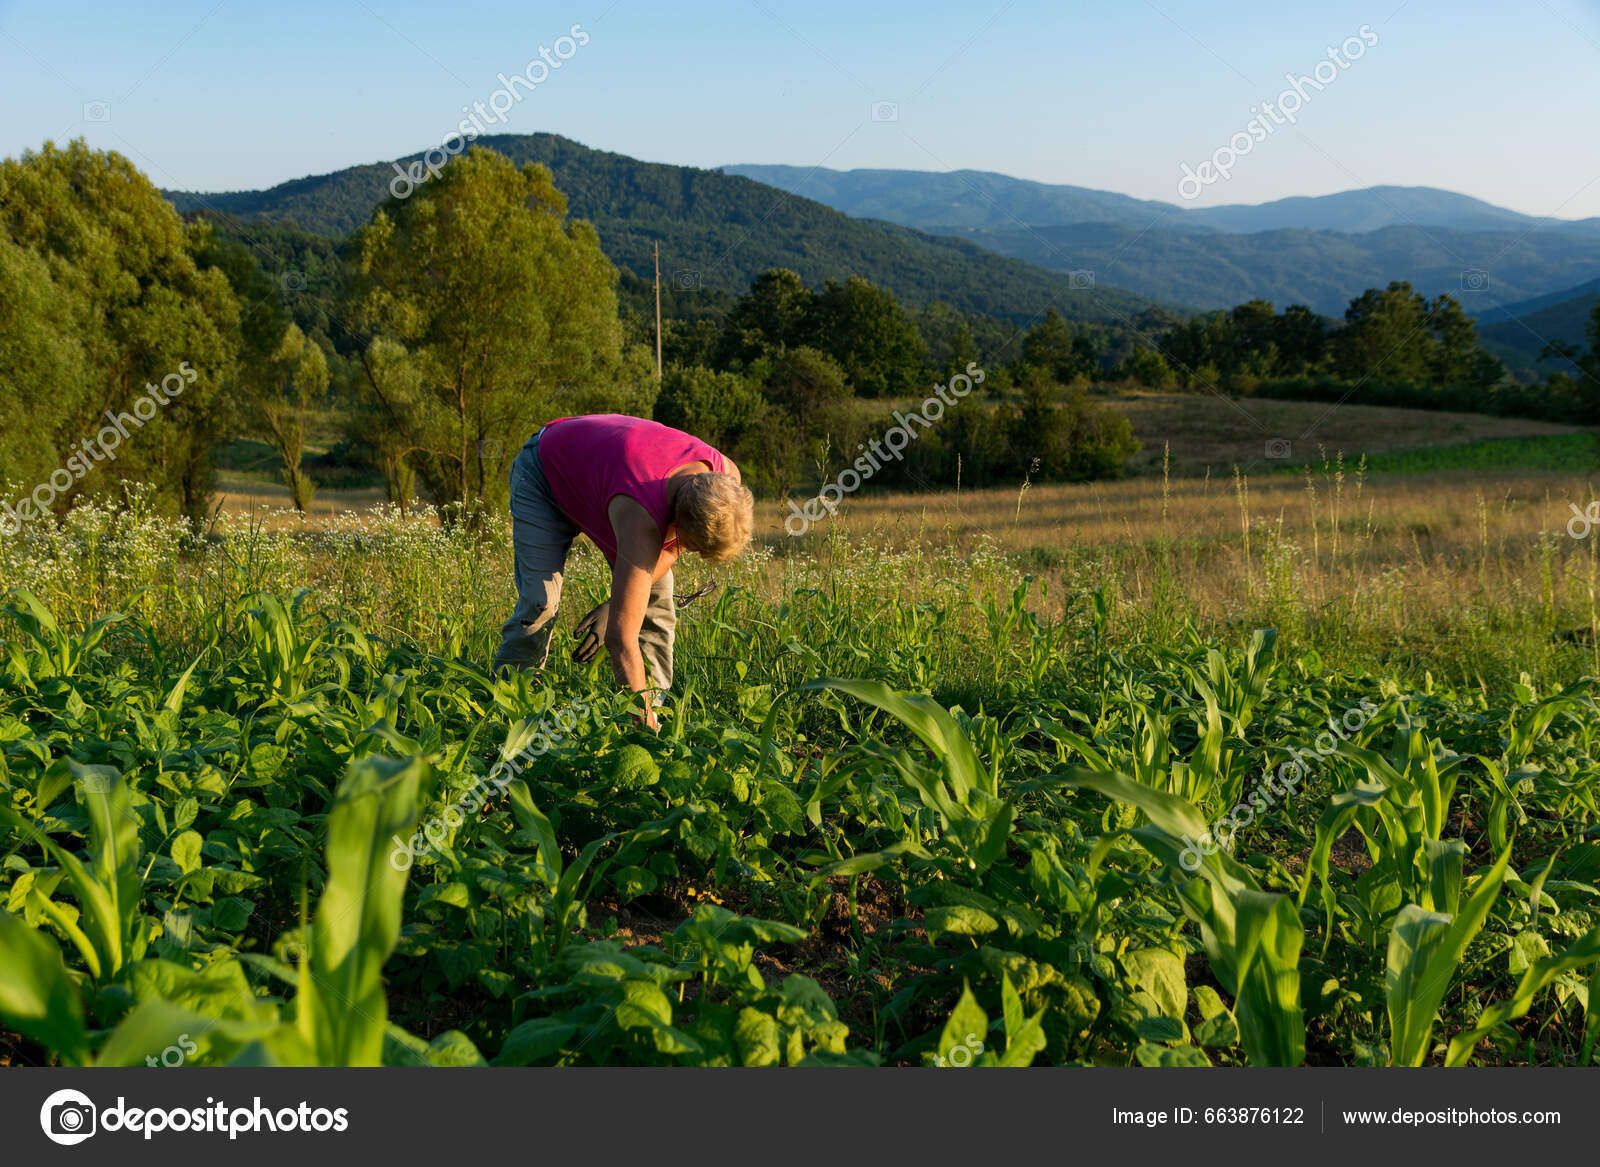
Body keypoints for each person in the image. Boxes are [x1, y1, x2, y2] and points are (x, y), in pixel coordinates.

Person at [492, 413, 754, 728]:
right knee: (540, 602)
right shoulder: (641, 517)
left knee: (655, 602)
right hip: (544, 474)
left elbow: (675, 546)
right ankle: (509, 708)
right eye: (693, 546)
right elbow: (620, 640)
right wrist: (620, 615)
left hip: (601, 476)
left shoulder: (726, 475)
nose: (690, 553)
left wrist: (616, 605)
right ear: (675, 519)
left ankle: (653, 709)